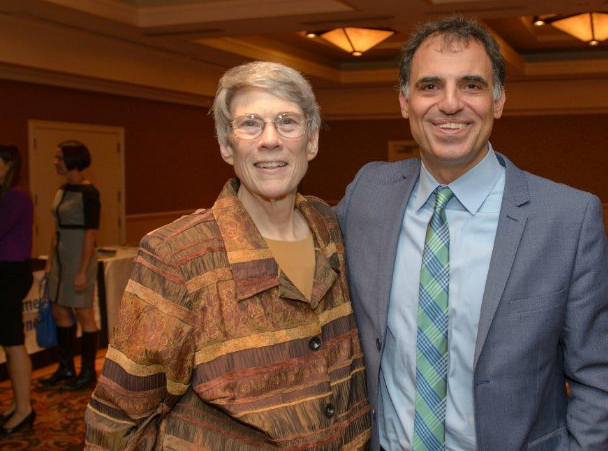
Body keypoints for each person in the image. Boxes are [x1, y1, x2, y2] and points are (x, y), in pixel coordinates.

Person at [335, 16, 608, 450]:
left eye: (470, 86)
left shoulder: (568, 218)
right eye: (429, 86)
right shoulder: (368, 195)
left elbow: (598, 379)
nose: (449, 104)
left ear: (498, 100)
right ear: (404, 101)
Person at [84, 61, 370, 449]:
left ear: (312, 140)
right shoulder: (178, 255)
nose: (270, 139)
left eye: (287, 121)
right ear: (225, 144)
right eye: (250, 123)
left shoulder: (330, 227)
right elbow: (119, 418)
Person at [40, 140, 101, 391]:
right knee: (59, 309)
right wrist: (51, 261)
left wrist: (81, 271)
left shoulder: (89, 193)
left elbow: (90, 234)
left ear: (72, 160)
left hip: (79, 257)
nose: (55, 162)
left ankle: (87, 372)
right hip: (61, 257)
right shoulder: (62, 189)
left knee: (83, 313)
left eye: (58, 158)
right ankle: (65, 366)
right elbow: (57, 228)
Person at [0, 145, 35, 434]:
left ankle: (24, 408)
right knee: (9, 344)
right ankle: (18, 403)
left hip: (11, 273)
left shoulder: (15, 196)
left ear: (8, 164)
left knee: (13, 342)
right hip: (6, 272)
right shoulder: (8, 194)